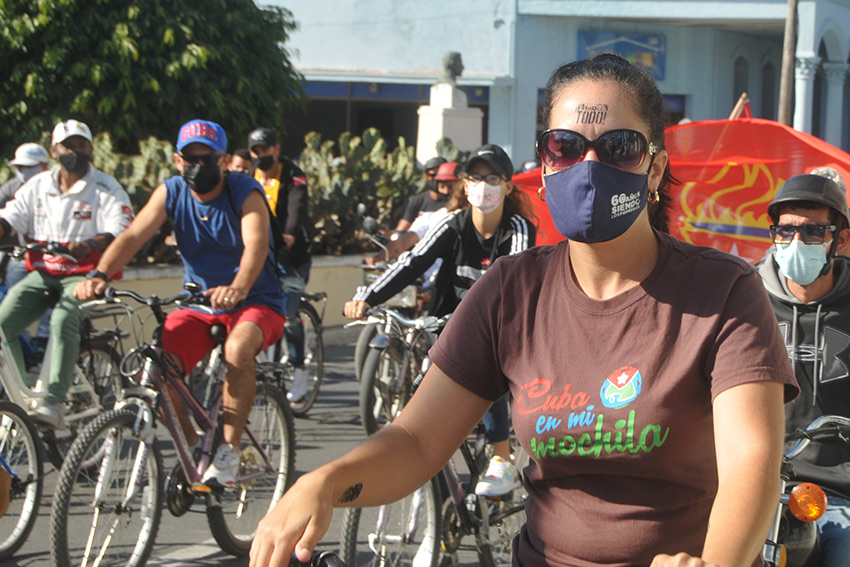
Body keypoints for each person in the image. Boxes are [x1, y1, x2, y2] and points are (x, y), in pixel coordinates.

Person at [250, 55, 798, 567]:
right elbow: (417, 442)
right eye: (565, 145)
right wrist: (321, 483)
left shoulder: (724, 292)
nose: (589, 164)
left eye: (618, 147)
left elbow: (751, 462)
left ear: (654, 172)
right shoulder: (511, 290)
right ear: (544, 163)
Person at [74, 119, 286, 486]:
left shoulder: (243, 190)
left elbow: (257, 243)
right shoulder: (171, 192)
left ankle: (229, 452)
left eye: (209, 158)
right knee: (160, 367)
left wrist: (237, 287)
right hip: (199, 304)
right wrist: (100, 274)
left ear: (223, 161)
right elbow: (133, 236)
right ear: (177, 160)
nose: (198, 166)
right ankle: (195, 443)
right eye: (191, 158)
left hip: (257, 300)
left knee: (237, 351)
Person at [347, 144, 536, 496]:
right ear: (464, 184)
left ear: (508, 186)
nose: (483, 186)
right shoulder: (452, 223)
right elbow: (412, 263)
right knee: (424, 386)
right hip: (446, 328)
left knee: (485, 367)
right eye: (475, 177)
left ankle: (502, 459)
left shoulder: (519, 229)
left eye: (492, 178)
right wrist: (366, 298)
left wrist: (481, 321)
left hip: (499, 330)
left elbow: (516, 281)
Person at [0, 120, 133, 428]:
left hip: (86, 276)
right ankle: (23, 397)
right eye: (68, 146)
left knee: (62, 319)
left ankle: (55, 402)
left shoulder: (105, 187)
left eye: (81, 145)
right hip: (44, 272)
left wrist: (90, 243)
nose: (75, 151)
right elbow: (11, 218)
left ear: (90, 148)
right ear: (54, 150)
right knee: (3, 324)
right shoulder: (37, 185)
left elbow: (122, 228)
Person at [756, 173, 850, 567]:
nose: (796, 243)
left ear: (840, 240)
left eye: (814, 232)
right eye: (785, 231)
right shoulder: (744, 299)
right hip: (759, 486)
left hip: (839, 496)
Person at [247, 127, 313, 402]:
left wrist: (288, 236)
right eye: (256, 151)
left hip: (292, 256)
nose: (261, 155)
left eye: (266, 149)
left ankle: (299, 370)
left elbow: (296, 210)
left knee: (288, 314)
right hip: (260, 252)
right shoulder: (247, 177)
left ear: (276, 149)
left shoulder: (293, 175)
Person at [366, 161, 460, 266]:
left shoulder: (474, 216)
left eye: (451, 186)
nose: (446, 191)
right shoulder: (430, 217)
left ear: (463, 185)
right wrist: (377, 258)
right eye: (442, 186)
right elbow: (402, 242)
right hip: (432, 279)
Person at [394, 156, 447, 232]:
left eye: (440, 175)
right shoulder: (418, 201)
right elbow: (403, 227)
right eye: (432, 175)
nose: (436, 179)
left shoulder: (454, 201)